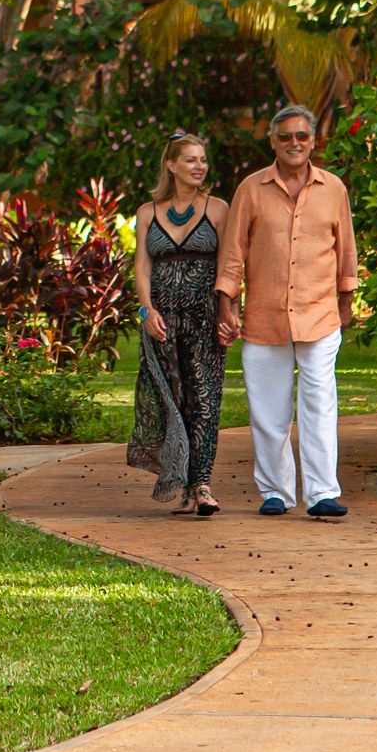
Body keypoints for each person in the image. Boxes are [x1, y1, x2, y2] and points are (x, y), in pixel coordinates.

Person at [215, 104, 359, 519]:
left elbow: (345, 248)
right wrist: (227, 301)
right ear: (273, 142)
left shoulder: (333, 188)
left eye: (301, 136)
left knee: (320, 405)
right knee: (268, 409)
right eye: (285, 137)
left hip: (319, 314)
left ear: (314, 141)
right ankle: (275, 491)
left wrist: (346, 298)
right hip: (264, 316)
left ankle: (322, 494)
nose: (294, 143)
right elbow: (234, 252)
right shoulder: (251, 189)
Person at [127, 132, 230, 516]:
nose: (199, 166)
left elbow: (228, 264)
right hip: (162, 320)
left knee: (204, 399)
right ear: (171, 165)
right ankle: (183, 484)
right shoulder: (147, 212)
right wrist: (146, 311)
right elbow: (142, 266)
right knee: (172, 399)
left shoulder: (218, 209)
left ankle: (202, 484)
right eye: (191, 160)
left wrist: (226, 310)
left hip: (204, 318)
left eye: (203, 159)